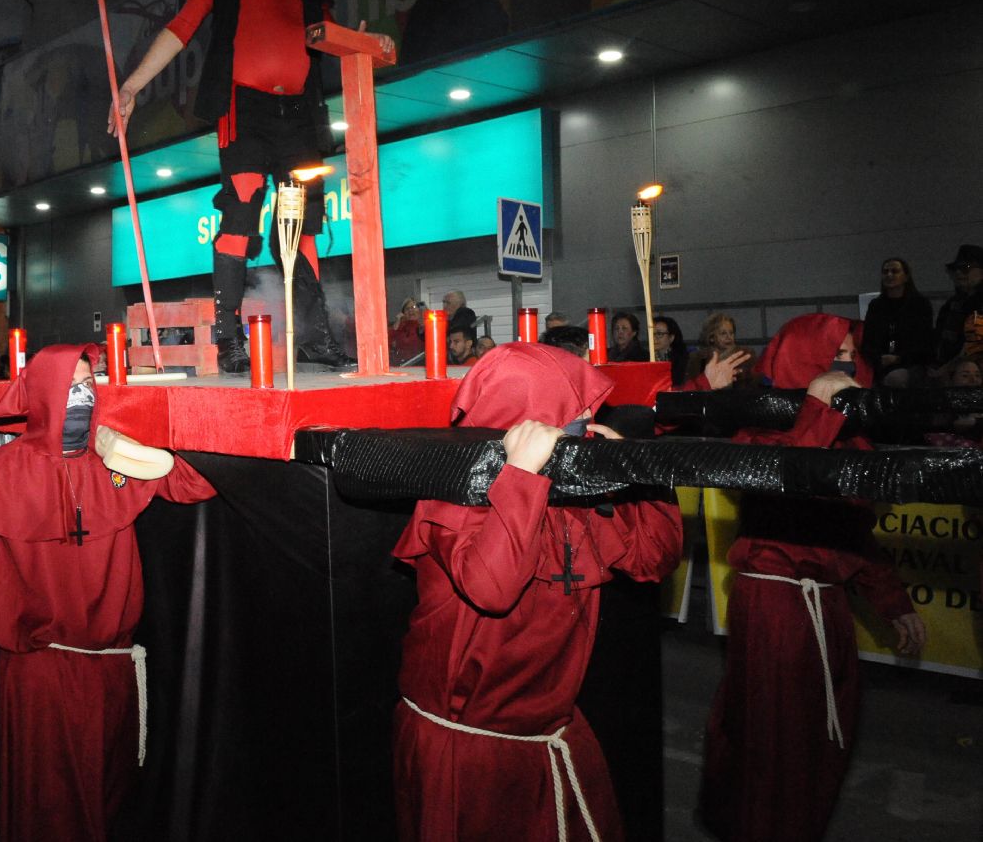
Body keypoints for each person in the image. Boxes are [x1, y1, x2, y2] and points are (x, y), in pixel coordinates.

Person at [391, 344, 682, 841]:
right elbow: (493, 589)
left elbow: (652, 558)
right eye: (576, 414)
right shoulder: (455, 494)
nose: (588, 423)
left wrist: (637, 470)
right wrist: (521, 479)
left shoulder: (570, 488)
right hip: (470, 749)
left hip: (548, 726)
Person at [112, 0, 391, 374]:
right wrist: (131, 86)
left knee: (302, 226)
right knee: (240, 214)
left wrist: (367, 41)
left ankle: (315, 336)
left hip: (299, 117)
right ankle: (227, 339)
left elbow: (331, 40)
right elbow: (182, 27)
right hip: (246, 108)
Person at [0, 343, 216, 842]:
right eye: (70, 388)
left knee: (110, 795)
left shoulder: (114, 458)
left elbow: (194, 487)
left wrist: (146, 434)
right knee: (51, 805)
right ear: (43, 395)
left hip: (112, 664)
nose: (82, 398)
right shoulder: (2, 472)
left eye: (89, 386)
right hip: (41, 669)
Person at [699, 313, 925, 842]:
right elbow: (786, 481)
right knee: (773, 743)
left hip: (827, 605)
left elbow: (852, 533)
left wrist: (893, 602)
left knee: (824, 741)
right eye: (833, 354)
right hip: (777, 606)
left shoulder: (846, 439)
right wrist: (819, 412)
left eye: (851, 354)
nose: (845, 364)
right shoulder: (761, 428)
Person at [861, 256, 933, 386]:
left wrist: (899, 358)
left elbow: (925, 342)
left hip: (910, 363)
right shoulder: (876, 305)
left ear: (906, 277)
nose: (889, 275)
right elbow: (868, 339)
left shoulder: (920, 305)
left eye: (895, 271)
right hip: (880, 362)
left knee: (896, 379)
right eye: (885, 272)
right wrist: (878, 359)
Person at [934, 243, 983, 366]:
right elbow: (938, 339)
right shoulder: (952, 305)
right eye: (955, 269)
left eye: (965, 267)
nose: (958, 273)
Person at [685, 312, 757, 387]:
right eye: (723, 333)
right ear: (711, 338)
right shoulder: (697, 359)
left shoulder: (745, 356)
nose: (729, 337)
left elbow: (754, 385)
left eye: (731, 333)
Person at [389, 297, 425, 363]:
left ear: (419, 310)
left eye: (413, 307)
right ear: (403, 313)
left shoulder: (424, 326)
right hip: (404, 365)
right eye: (407, 309)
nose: (410, 310)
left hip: (420, 363)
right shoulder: (401, 327)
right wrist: (398, 321)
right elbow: (388, 342)